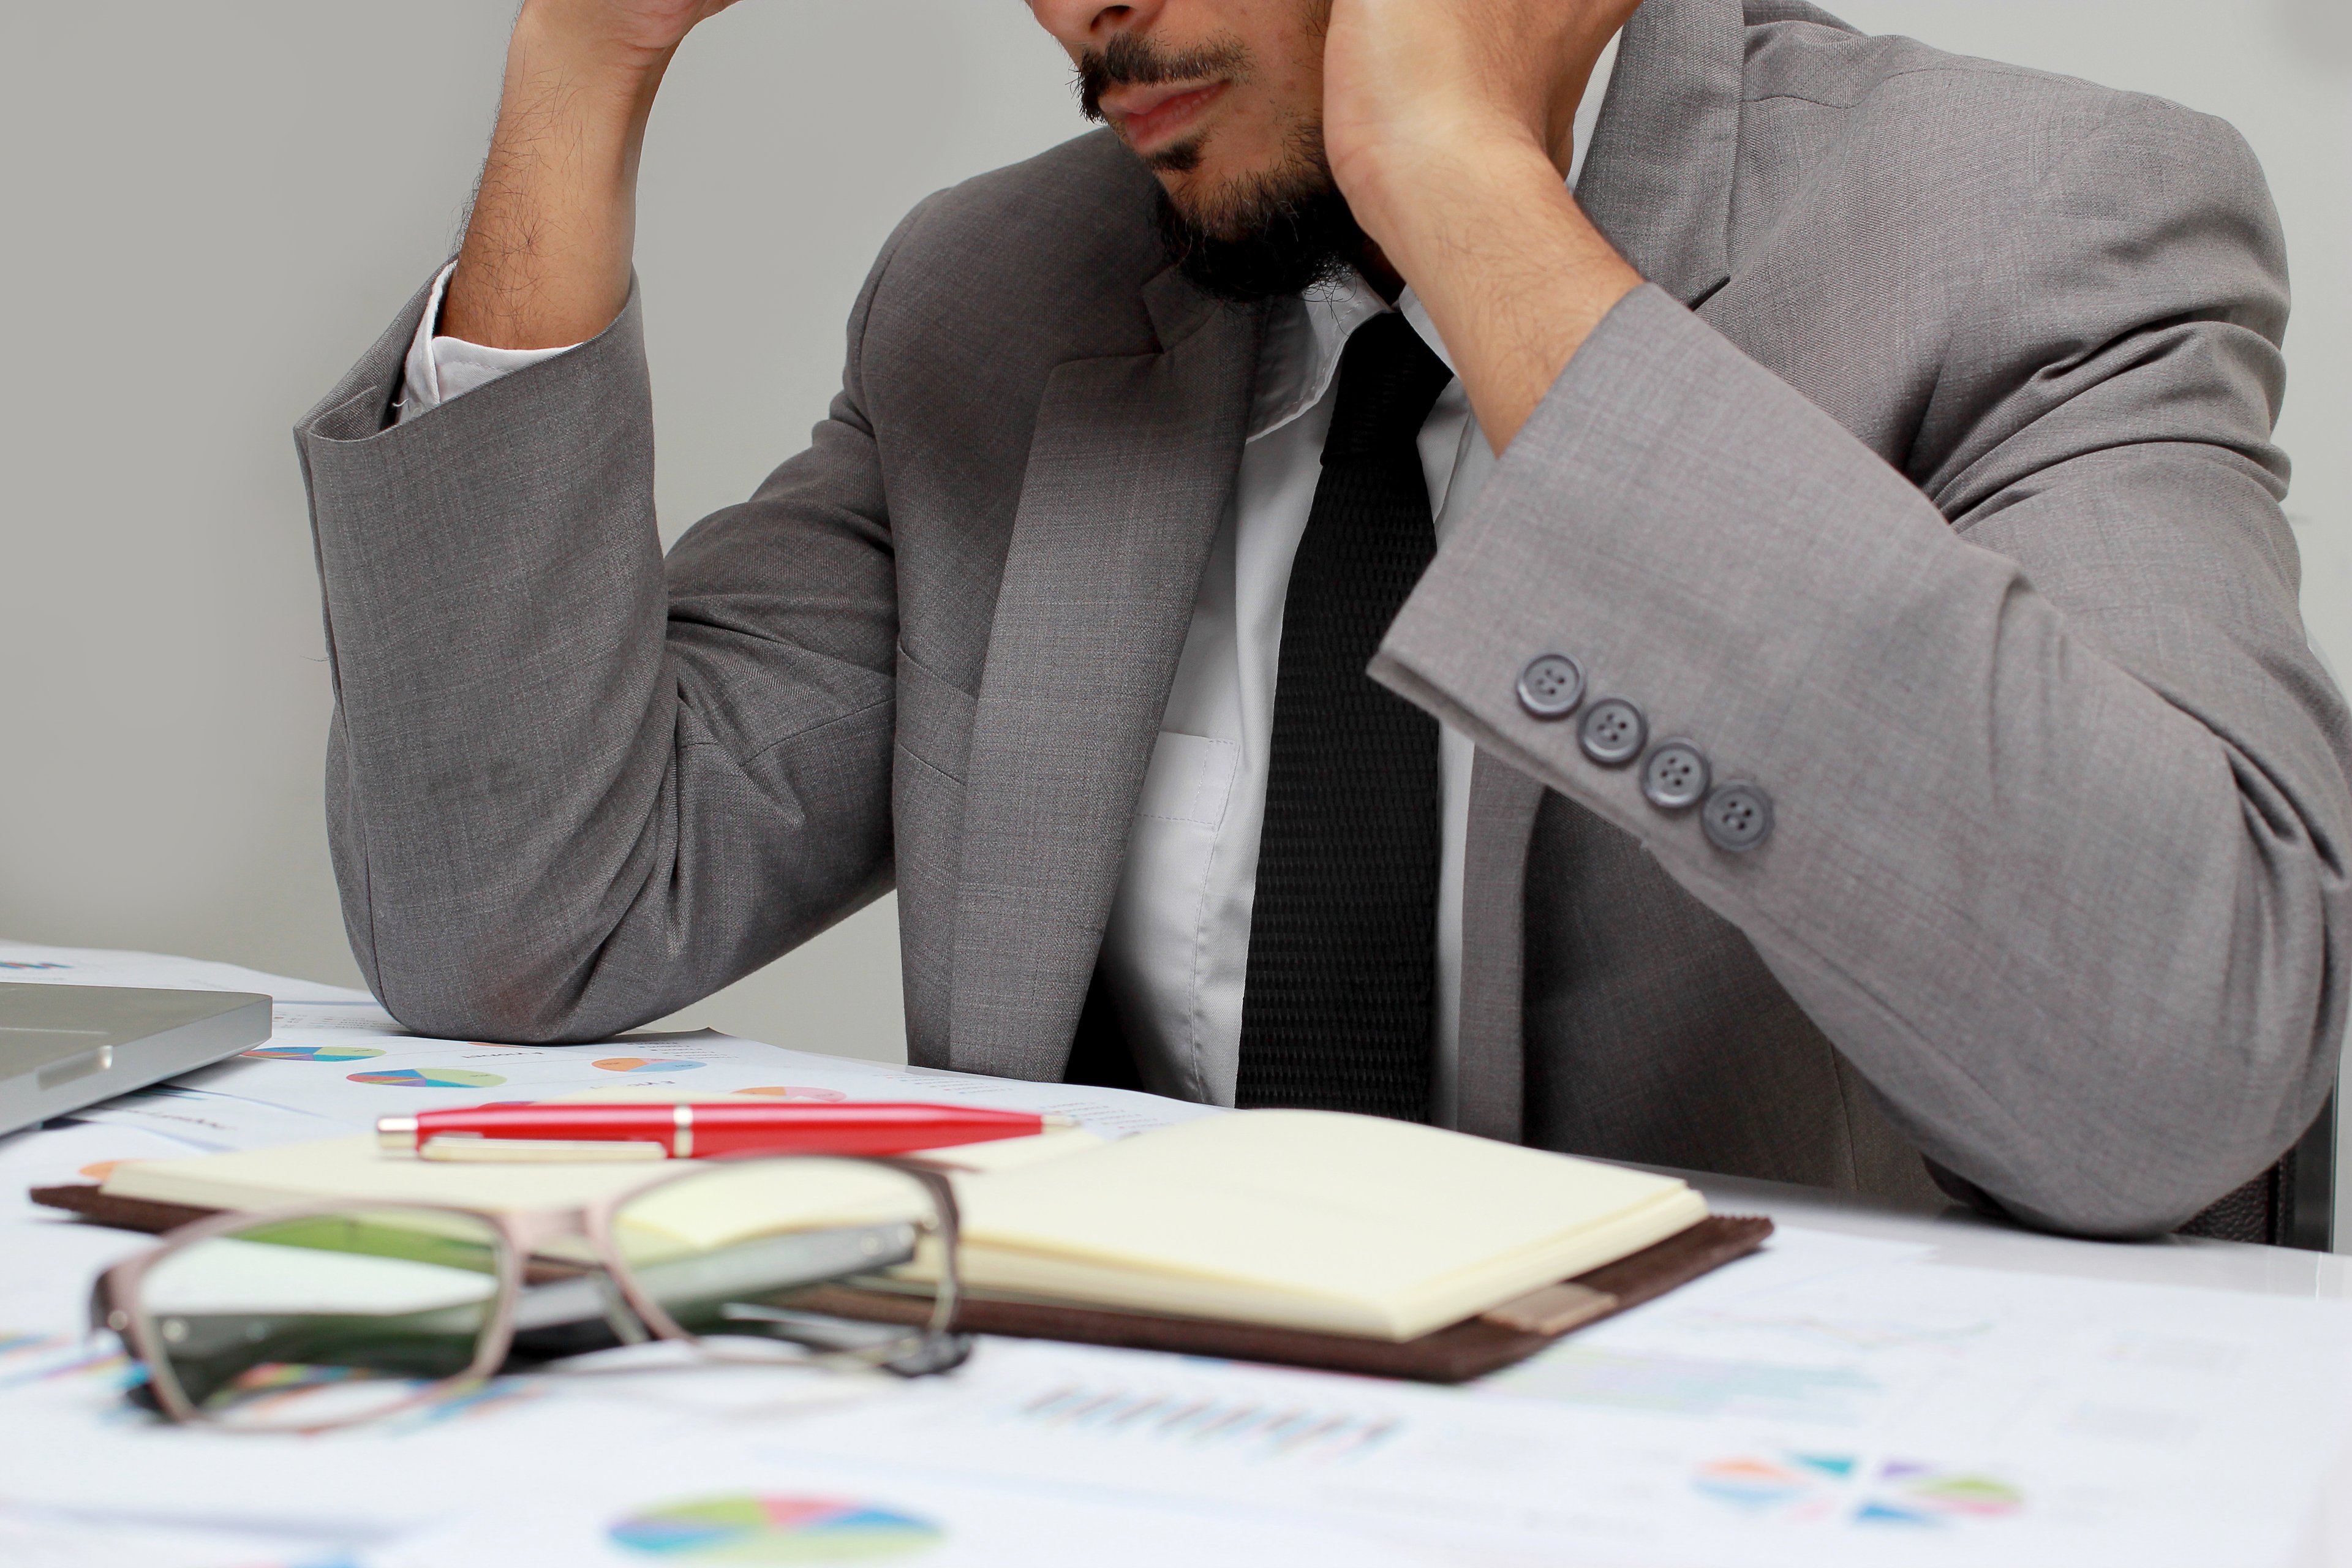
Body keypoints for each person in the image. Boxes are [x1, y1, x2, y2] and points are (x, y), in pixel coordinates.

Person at [295, 0, 2352, 1238]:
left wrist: (1468, 190)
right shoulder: (997, 302)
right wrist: (589, 57)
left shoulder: (2036, 229)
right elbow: (525, 913)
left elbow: (2177, 1057)